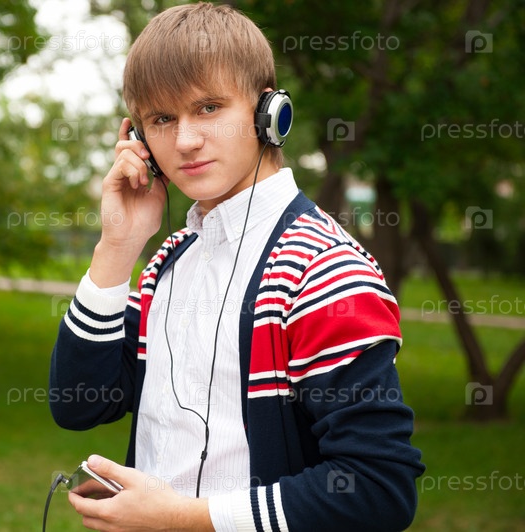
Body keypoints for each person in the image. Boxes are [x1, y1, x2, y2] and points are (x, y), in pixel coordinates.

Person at [49, 3, 425, 530]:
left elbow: (378, 488)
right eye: (162, 119)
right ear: (139, 140)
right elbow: (77, 404)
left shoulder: (322, 270)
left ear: (269, 112)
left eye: (207, 108)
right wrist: (117, 246)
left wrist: (183, 518)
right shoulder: (168, 262)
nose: (184, 140)